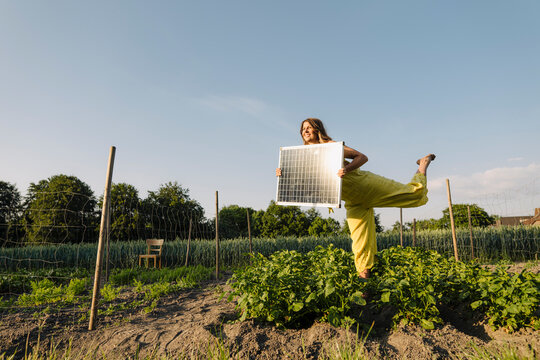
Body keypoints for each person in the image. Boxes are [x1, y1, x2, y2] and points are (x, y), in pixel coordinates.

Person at [276, 118, 435, 279]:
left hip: (366, 186)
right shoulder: (302, 158)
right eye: (303, 129)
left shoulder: (332, 147)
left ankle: (423, 163)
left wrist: (346, 168)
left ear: (318, 130)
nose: (306, 131)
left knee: (415, 196)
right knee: (360, 243)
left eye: (310, 127)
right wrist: (283, 174)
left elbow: (362, 157)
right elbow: (302, 185)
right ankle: (364, 281)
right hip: (353, 201)